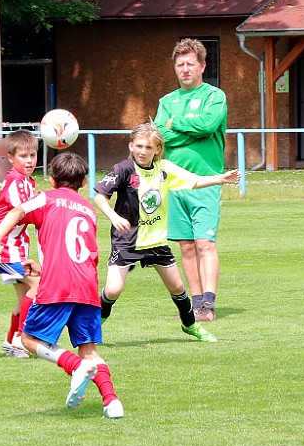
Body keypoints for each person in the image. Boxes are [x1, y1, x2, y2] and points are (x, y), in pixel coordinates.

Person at [0, 152, 123, 418]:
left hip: (58, 285)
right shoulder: (90, 211)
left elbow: (17, 210)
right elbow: (73, 249)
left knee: (28, 339)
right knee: (89, 349)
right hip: (87, 286)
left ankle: (74, 367)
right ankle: (112, 401)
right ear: (84, 182)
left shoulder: (47, 198)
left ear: (50, 180)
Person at [94, 121, 240, 342]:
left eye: (149, 147)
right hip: (127, 242)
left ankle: (190, 326)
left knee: (177, 287)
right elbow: (99, 195)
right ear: (131, 146)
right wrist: (114, 217)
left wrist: (221, 179)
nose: (143, 151)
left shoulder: (165, 169)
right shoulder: (123, 169)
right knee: (113, 290)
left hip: (156, 243)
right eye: (139, 146)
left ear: (157, 149)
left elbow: (194, 181)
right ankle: (95, 323)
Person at [154, 38, 228, 322]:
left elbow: (209, 125)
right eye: (180, 64)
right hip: (174, 183)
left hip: (206, 180)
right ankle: (196, 305)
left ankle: (209, 303)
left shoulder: (215, 96)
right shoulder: (167, 101)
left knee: (205, 243)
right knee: (185, 245)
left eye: (190, 64)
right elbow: (160, 135)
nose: (185, 69)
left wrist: (177, 124)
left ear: (202, 66)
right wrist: (189, 129)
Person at [0, 130, 39, 358]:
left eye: (33, 155)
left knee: (24, 297)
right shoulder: (15, 181)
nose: (29, 160)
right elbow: (26, 212)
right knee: (39, 286)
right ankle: (21, 339)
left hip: (16, 248)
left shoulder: (27, 181)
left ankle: (11, 341)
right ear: (11, 158)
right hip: (1, 249)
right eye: (23, 156)